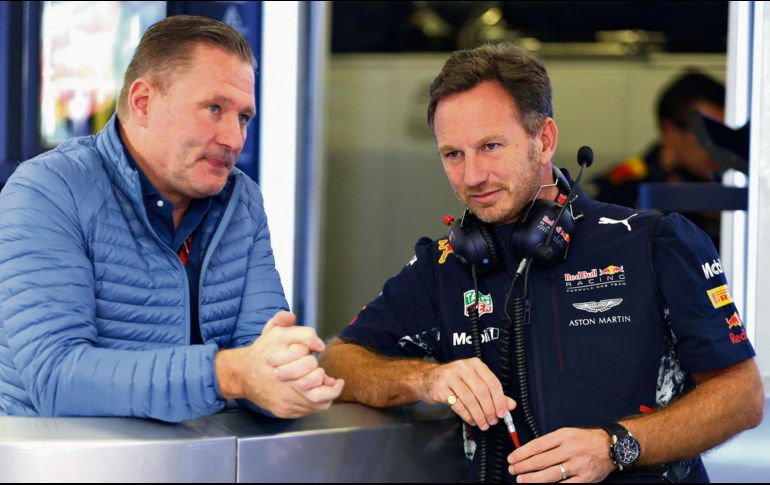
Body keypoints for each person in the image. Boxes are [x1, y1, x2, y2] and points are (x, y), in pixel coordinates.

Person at [320, 43, 763, 482]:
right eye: (453, 154)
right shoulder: (445, 266)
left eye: (491, 146)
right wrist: (427, 380)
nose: (472, 176)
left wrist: (616, 446)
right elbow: (338, 361)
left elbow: (742, 395)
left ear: (544, 139)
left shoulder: (655, 242)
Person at [0, 15, 343, 422]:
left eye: (243, 118)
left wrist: (290, 378)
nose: (233, 139)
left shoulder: (242, 200)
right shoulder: (48, 189)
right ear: (143, 102)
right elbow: (57, 377)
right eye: (214, 108)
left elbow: (259, 352)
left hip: (196, 459)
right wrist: (229, 374)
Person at [590, 71, 726, 247]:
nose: (719, 148)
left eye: (724, 136)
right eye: (708, 135)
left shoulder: (731, 190)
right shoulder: (623, 189)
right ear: (670, 132)